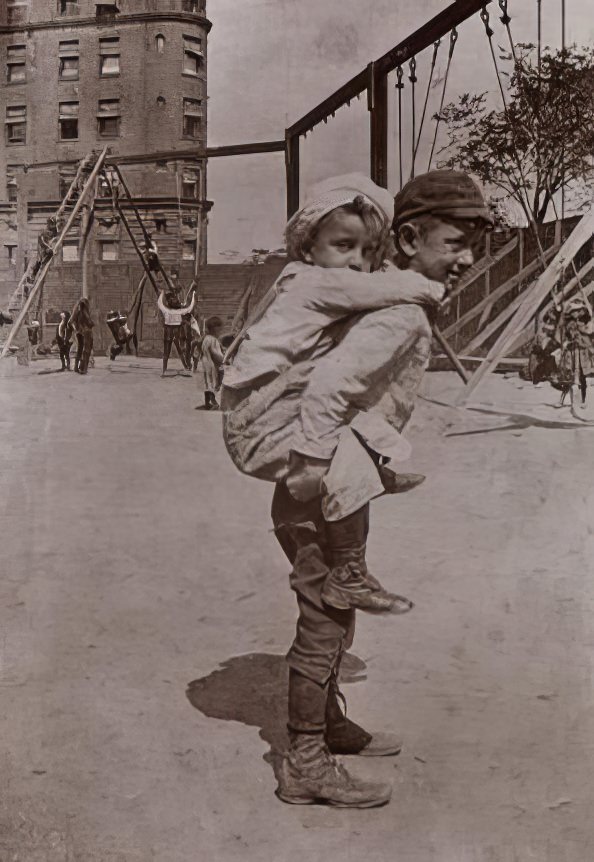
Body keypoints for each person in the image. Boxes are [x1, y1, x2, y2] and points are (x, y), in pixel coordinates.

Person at [221, 171, 492, 808]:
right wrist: (313, 461)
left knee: (334, 614)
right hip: (312, 475)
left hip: (320, 469)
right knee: (324, 617)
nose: (465, 259)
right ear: (411, 239)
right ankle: (305, 761)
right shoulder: (392, 308)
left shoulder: (365, 293)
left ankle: (329, 725)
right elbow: (329, 390)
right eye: (453, 243)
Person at [157, 285, 195, 376]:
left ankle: (164, 369)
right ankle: (185, 367)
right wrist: (193, 295)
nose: (177, 300)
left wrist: (162, 293)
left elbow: (159, 303)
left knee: (167, 351)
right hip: (175, 332)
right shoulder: (179, 311)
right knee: (178, 351)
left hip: (168, 332)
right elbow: (190, 307)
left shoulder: (166, 310)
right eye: (174, 299)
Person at [200, 316, 224, 409]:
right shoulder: (212, 339)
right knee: (214, 382)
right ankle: (214, 402)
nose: (220, 332)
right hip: (211, 363)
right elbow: (215, 352)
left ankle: (207, 403)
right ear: (215, 329)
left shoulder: (206, 338)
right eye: (219, 330)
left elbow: (204, 349)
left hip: (205, 362)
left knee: (207, 382)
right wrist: (224, 359)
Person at [70, 297, 94, 374]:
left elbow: (71, 322)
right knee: (87, 350)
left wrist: (76, 329)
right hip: (86, 332)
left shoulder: (76, 311)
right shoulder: (85, 312)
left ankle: (76, 367)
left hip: (79, 333)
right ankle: (84, 368)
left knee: (80, 349)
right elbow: (90, 323)